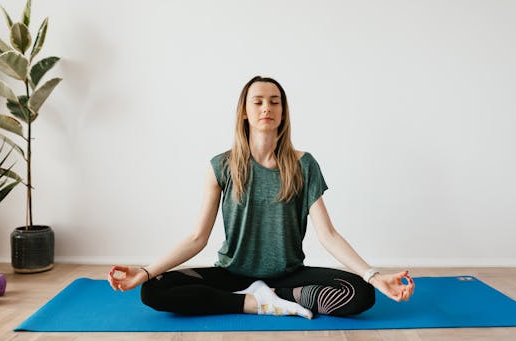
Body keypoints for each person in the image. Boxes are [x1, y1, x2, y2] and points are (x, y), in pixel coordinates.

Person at [108, 76, 415, 319]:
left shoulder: (303, 165)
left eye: (274, 102)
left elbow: (329, 234)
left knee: (360, 293)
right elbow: (197, 237)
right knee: (154, 289)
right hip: (232, 274)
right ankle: (255, 303)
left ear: (283, 112)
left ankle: (277, 298)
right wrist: (146, 271)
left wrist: (373, 276)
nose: (266, 108)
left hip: (289, 275)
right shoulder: (222, 166)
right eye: (258, 102)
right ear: (245, 112)